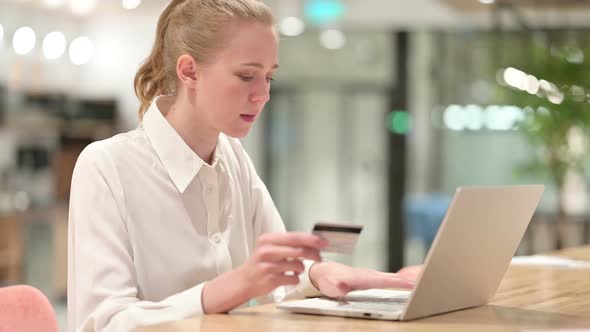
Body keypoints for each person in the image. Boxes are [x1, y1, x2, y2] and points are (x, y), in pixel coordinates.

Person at [67, 1, 415, 331]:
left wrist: (316, 275)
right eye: (247, 76)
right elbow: (104, 322)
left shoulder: (233, 157)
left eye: (269, 77)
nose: (263, 95)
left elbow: (273, 277)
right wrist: (223, 290)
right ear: (189, 71)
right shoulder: (106, 166)